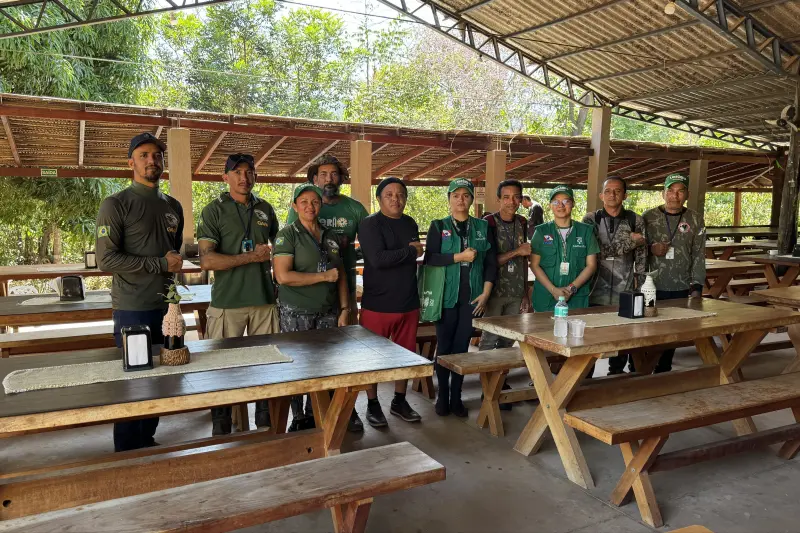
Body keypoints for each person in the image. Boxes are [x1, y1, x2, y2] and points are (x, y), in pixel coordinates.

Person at [96, 132, 184, 452]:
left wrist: (171, 270)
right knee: (134, 379)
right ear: (131, 161)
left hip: (167, 309)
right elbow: (107, 259)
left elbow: (173, 256)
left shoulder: (173, 206)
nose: (152, 160)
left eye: (157, 155)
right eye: (144, 154)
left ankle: (147, 439)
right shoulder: (116, 204)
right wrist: (160, 263)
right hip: (133, 306)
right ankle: (128, 451)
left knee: (160, 379)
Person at [197, 153, 280, 435]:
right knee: (221, 363)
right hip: (227, 301)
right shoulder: (213, 210)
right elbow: (207, 261)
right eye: (237, 172)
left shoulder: (265, 209)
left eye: (249, 171)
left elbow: (280, 249)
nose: (244, 177)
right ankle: (221, 419)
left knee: (266, 361)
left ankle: (264, 418)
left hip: (263, 300)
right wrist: (250, 258)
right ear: (226, 177)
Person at [286, 154, 368, 430]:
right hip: (302, 300)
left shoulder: (355, 209)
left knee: (341, 354)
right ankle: (303, 416)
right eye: (323, 174)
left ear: (341, 179)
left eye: (334, 174)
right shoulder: (297, 218)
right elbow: (286, 262)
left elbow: (369, 242)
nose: (328, 179)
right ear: (313, 179)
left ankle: (346, 410)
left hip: (340, 294)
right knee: (302, 358)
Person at [273, 183, 350, 432]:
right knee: (297, 365)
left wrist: (345, 309)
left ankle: (316, 414)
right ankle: (298, 417)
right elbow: (282, 276)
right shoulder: (288, 234)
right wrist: (322, 277)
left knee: (324, 365)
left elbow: (340, 275)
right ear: (295, 206)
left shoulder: (330, 236)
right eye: (303, 201)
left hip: (328, 312)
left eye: (315, 201)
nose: (310, 206)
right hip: (297, 312)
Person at [426, 178, 497, 417]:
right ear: (448, 200)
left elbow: (490, 263)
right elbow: (430, 259)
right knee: (444, 347)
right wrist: (458, 257)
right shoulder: (438, 226)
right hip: (446, 297)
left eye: (465, 195)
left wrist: (486, 293)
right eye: (455, 195)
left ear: (471, 199)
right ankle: (442, 397)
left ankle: (456, 397)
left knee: (461, 349)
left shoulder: (483, 227)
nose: (460, 199)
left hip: (473, 299)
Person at [357, 177, 423, 427]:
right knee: (371, 358)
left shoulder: (410, 223)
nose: (396, 199)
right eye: (389, 195)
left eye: (400, 195)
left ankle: (399, 400)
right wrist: (410, 251)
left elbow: (401, 254)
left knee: (406, 356)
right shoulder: (369, 224)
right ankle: (373, 404)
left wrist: (407, 252)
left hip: (408, 301)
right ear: (379, 198)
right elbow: (378, 259)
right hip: (378, 304)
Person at [582, 177, 647, 375]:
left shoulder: (635, 220)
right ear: (601, 195)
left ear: (625, 195)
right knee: (591, 337)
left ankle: (617, 374)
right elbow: (596, 251)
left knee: (623, 334)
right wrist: (630, 243)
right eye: (608, 191)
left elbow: (642, 256)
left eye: (617, 191)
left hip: (625, 289)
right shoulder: (590, 220)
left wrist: (643, 285)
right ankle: (585, 376)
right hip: (594, 289)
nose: (612, 194)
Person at [643, 173, 706, 373]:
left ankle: (664, 370)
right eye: (670, 191)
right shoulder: (648, 217)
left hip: (681, 284)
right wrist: (651, 248)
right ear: (663, 193)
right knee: (647, 330)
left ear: (686, 194)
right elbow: (636, 249)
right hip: (651, 284)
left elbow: (699, 254)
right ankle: (641, 368)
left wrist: (697, 287)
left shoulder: (695, 219)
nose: (674, 196)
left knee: (673, 331)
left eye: (680, 191)